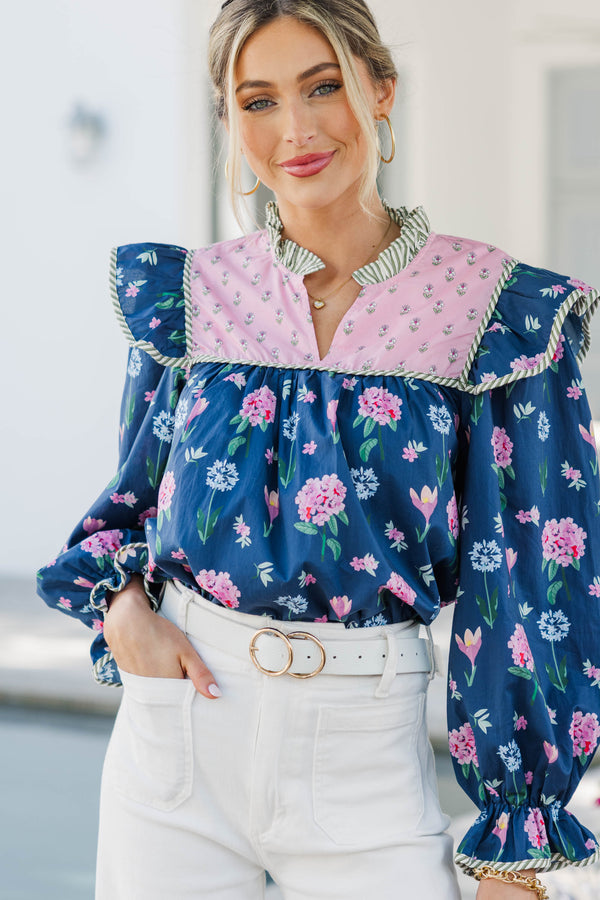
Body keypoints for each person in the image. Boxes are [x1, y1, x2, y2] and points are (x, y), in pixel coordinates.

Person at [37, 1, 600, 897]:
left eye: (323, 86)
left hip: (365, 761)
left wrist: (516, 848)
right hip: (173, 747)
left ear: (381, 90)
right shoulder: (187, 299)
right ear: (230, 121)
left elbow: (536, 580)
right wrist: (123, 614)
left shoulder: (494, 316)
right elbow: (132, 503)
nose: (293, 129)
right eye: (257, 100)